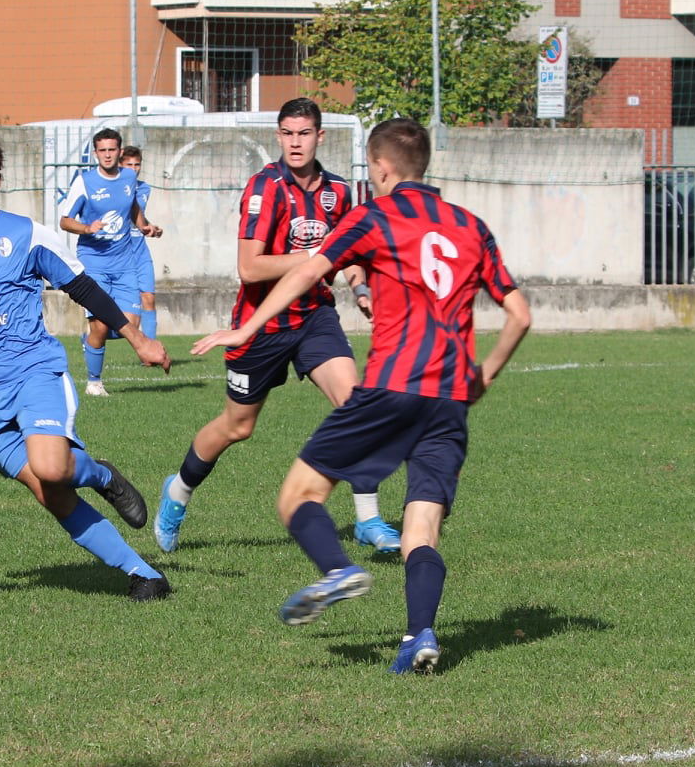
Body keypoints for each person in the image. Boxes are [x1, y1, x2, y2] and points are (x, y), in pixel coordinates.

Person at [193, 118, 531, 673]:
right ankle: (420, 636)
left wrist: (247, 328)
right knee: (422, 528)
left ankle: (337, 569)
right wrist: (484, 375)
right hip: (449, 400)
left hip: (392, 388)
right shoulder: (472, 226)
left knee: (298, 495)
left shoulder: (374, 216)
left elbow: (309, 272)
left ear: (381, 167)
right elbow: (519, 314)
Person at [0, 128, 175, 600]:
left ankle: (101, 474)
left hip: (33, 373)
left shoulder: (26, 233)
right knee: (51, 492)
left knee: (52, 467)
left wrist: (136, 338)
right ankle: (144, 574)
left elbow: (83, 286)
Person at [155, 98, 400, 554]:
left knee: (355, 404)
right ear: (278, 136)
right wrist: (313, 257)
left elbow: (351, 257)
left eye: (304, 133)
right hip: (260, 323)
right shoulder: (264, 188)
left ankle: (368, 518)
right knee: (237, 427)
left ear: (319, 137)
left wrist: (361, 288)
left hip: (314, 317)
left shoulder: (341, 192)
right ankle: (178, 492)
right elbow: (249, 268)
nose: (295, 142)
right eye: (287, 133)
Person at [58, 129, 155, 396]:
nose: (108, 155)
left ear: (120, 152)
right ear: (96, 153)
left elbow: (133, 208)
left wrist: (145, 226)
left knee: (130, 325)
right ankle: (94, 382)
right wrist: (87, 228)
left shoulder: (128, 177)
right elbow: (65, 220)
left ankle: (90, 341)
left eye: (112, 149)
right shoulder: (85, 182)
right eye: (102, 150)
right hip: (94, 261)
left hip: (125, 263)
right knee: (101, 323)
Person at [118, 145, 162, 340]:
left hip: (140, 251)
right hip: (120, 253)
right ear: (120, 165)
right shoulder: (113, 188)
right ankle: (93, 338)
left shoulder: (144, 189)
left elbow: (138, 219)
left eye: (137, 165)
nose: (134, 169)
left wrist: (150, 227)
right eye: (129, 165)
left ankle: (151, 352)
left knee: (149, 299)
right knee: (129, 319)